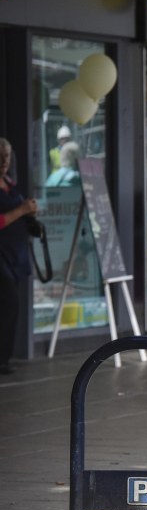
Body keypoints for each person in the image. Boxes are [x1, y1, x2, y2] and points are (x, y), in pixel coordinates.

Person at [0, 138, 39, 374]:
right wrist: (21, 210)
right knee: (10, 302)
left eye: (7, 156)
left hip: (15, 255)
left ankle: (4, 357)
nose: (4, 161)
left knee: (10, 305)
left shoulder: (9, 183)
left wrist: (30, 214)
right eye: (0, 156)